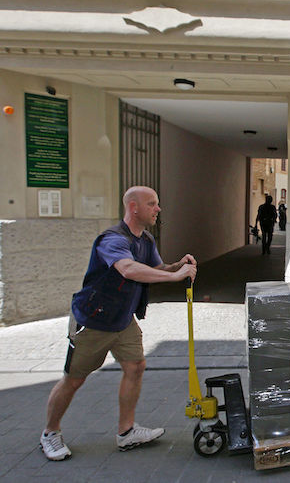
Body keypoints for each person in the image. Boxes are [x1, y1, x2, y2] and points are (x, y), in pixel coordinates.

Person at [40, 186, 197, 461]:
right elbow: (128, 268)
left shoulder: (146, 239)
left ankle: (126, 432)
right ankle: (50, 433)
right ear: (133, 207)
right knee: (74, 380)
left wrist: (175, 266)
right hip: (94, 321)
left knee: (135, 366)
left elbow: (154, 268)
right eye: (152, 204)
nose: (158, 209)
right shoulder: (112, 239)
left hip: (123, 320)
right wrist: (175, 278)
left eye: (157, 204)